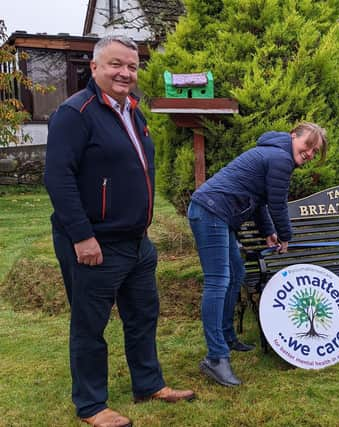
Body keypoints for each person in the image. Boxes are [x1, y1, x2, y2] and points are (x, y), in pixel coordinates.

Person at [44, 35, 195, 427]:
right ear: (94, 67)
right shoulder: (74, 113)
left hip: (136, 242)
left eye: (131, 66)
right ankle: (92, 405)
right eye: (115, 64)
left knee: (143, 315)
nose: (125, 72)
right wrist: (81, 235)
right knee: (90, 326)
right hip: (94, 242)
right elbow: (58, 178)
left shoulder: (133, 110)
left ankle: (148, 384)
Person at [188, 122, 327, 386]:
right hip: (210, 212)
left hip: (215, 214)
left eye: (314, 151)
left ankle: (227, 336)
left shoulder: (274, 154)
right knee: (218, 281)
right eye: (307, 145)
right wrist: (286, 235)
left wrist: (269, 232)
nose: (309, 153)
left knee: (236, 273)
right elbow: (277, 203)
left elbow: (261, 201)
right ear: (292, 136)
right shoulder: (280, 158)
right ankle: (216, 357)